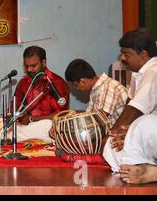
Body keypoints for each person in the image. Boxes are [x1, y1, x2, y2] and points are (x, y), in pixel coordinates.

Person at [0, 46, 69, 143]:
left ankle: (4, 137)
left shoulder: (56, 83)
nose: (29, 70)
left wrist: (32, 119)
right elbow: (14, 108)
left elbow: (61, 115)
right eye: (26, 66)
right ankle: (9, 136)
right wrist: (14, 115)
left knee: (47, 125)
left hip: (43, 127)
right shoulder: (23, 83)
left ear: (44, 62)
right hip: (24, 126)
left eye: (33, 66)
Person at [102, 28, 157, 173]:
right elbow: (129, 108)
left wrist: (111, 136)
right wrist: (123, 134)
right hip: (147, 138)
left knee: (144, 124)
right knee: (113, 146)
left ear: (143, 54)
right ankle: (145, 166)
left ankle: (149, 170)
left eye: (127, 53)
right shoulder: (138, 74)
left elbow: (134, 111)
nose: (122, 58)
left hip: (150, 131)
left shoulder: (153, 71)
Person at [64, 59, 128, 126]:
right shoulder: (96, 89)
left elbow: (101, 118)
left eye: (76, 85)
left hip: (122, 133)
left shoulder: (107, 87)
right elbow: (89, 115)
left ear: (83, 81)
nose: (77, 89)